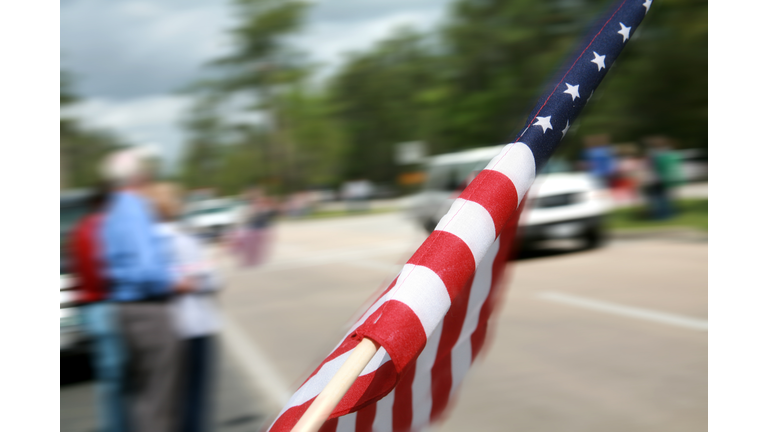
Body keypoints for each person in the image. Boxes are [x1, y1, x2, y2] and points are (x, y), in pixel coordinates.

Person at [99, 147, 190, 432]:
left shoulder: (112, 210)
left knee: (146, 396)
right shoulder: (135, 207)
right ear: (137, 176)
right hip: (149, 309)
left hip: (125, 310)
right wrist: (176, 281)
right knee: (161, 399)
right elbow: (147, 269)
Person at [144, 182, 223, 432]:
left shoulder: (145, 245)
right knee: (195, 400)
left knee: (165, 402)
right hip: (195, 326)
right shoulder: (186, 241)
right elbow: (213, 280)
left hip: (159, 329)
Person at [70, 183, 129, 432]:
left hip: (88, 308)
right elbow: (105, 270)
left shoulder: (78, 230)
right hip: (106, 303)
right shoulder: (104, 227)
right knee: (118, 377)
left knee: (108, 374)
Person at [644, 136, 684, 219]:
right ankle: (669, 213)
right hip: (668, 177)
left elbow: (651, 166)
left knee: (658, 197)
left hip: (657, 178)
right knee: (666, 196)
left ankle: (662, 214)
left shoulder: (654, 154)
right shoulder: (670, 152)